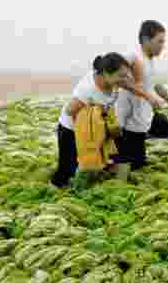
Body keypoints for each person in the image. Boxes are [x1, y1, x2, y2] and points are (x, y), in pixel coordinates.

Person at [50, 53, 131, 188]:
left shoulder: (112, 82)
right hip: (71, 130)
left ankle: (111, 182)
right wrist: (91, 127)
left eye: (126, 75)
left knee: (114, 156)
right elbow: (70, 111)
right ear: (106, 73)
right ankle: (56, 189)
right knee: (67, 168)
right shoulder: (87, 90)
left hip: (99, 126)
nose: (125, 79)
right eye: (121, 75)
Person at [114, 20, 168, 173]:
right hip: (126, 122)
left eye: (163, 42)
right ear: (145, 39)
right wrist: (148, 97)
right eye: (159, 41)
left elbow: (155, 85)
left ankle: (137, 144)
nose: (162, 46)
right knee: (132, 166)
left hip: (142, 119)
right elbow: (118, 79)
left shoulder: (150, 61)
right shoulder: (133, 56)